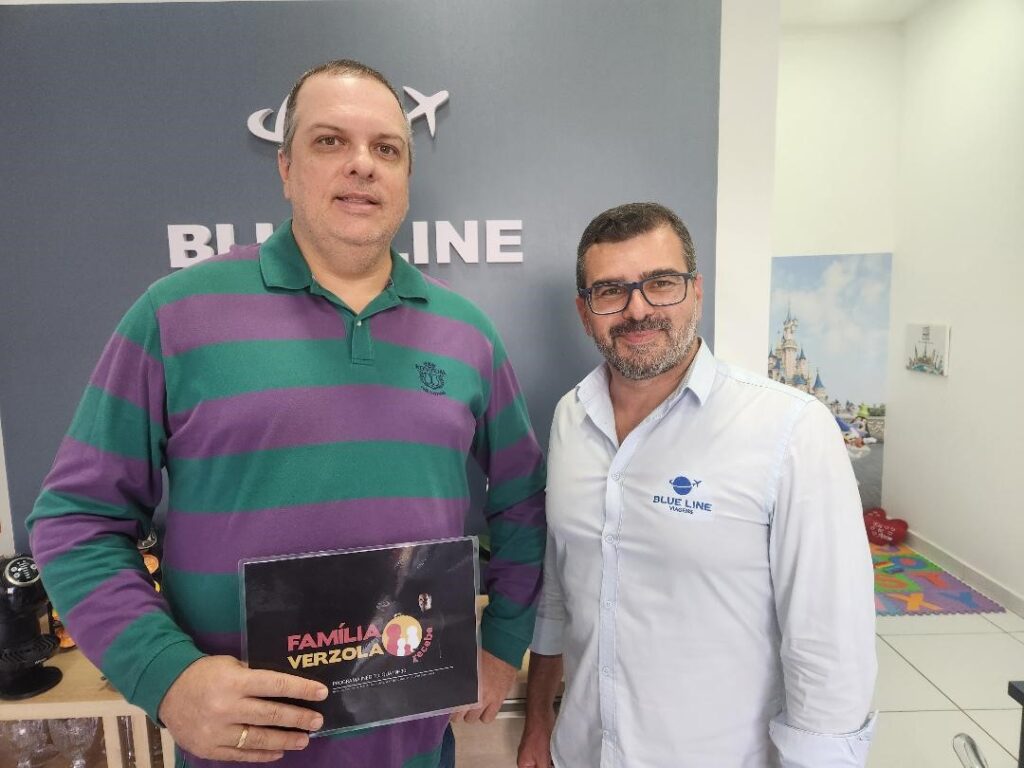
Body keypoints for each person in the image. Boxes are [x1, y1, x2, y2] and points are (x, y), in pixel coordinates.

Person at [27, 59, 546, 768]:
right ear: (285, 168)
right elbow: (75, 520)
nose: (362, 164)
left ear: (405, 175)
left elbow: (523, 502)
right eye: (330, 141)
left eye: (386, 148)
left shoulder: (468, 334)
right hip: (241, 756)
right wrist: (167, 678)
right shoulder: (176, 314)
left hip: (416, 748)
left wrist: (503, 642)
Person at [517, 202, 876, 768]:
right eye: (610, 291)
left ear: (696, 291)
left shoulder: (791, 430)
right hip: (580, 752)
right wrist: (539, 719)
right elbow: (562, 589)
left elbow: (829, 648)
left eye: (661, 283)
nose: (637, 309)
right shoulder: (571, 417)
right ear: (585, 313)